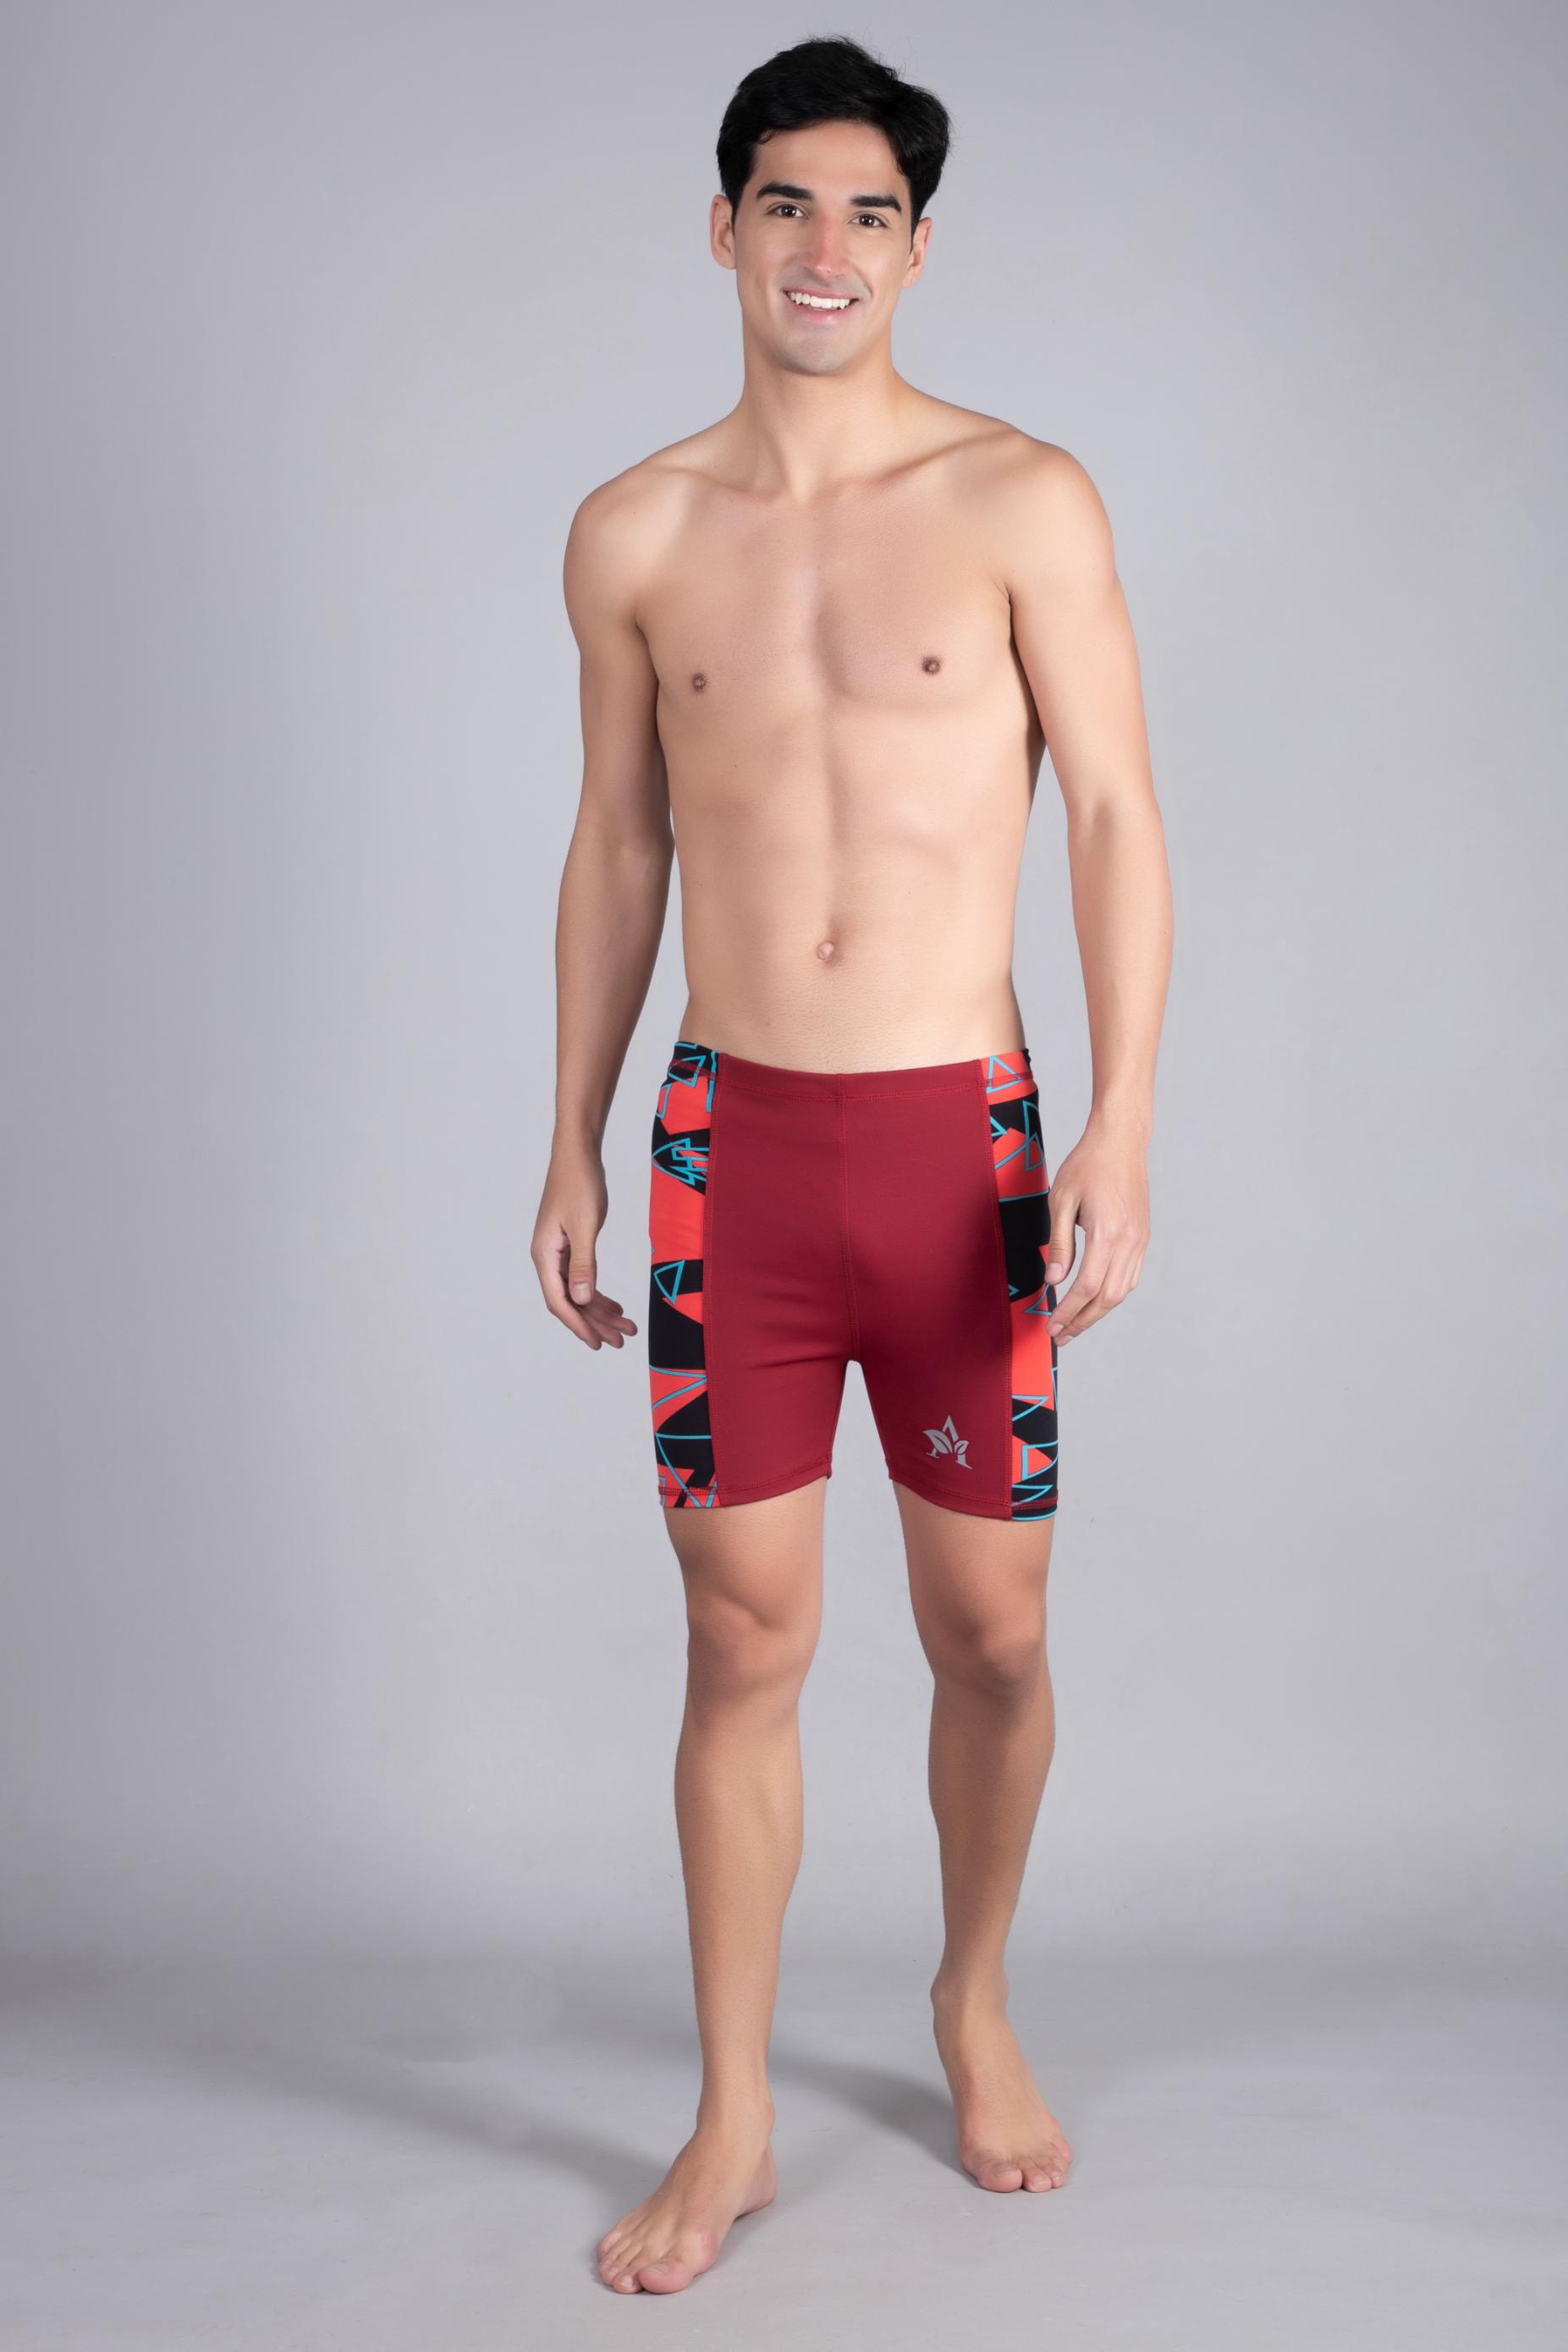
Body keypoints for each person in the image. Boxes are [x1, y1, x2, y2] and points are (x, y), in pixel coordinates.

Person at [531, 34, 1172, 2298]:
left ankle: (970, 1996)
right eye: (787, 205)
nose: (826, 249)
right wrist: (570, 1134)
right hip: (733, 1152)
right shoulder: (632, 530)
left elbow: (1114, 810)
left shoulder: (1021, 498)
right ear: (724, 229)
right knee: (742, 1637)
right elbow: (618, 846)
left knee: (991, 1630)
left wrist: (1121, 1116)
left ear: (917, 247)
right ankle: (732, 2115)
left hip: (958, 1149)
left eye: (869, 213)